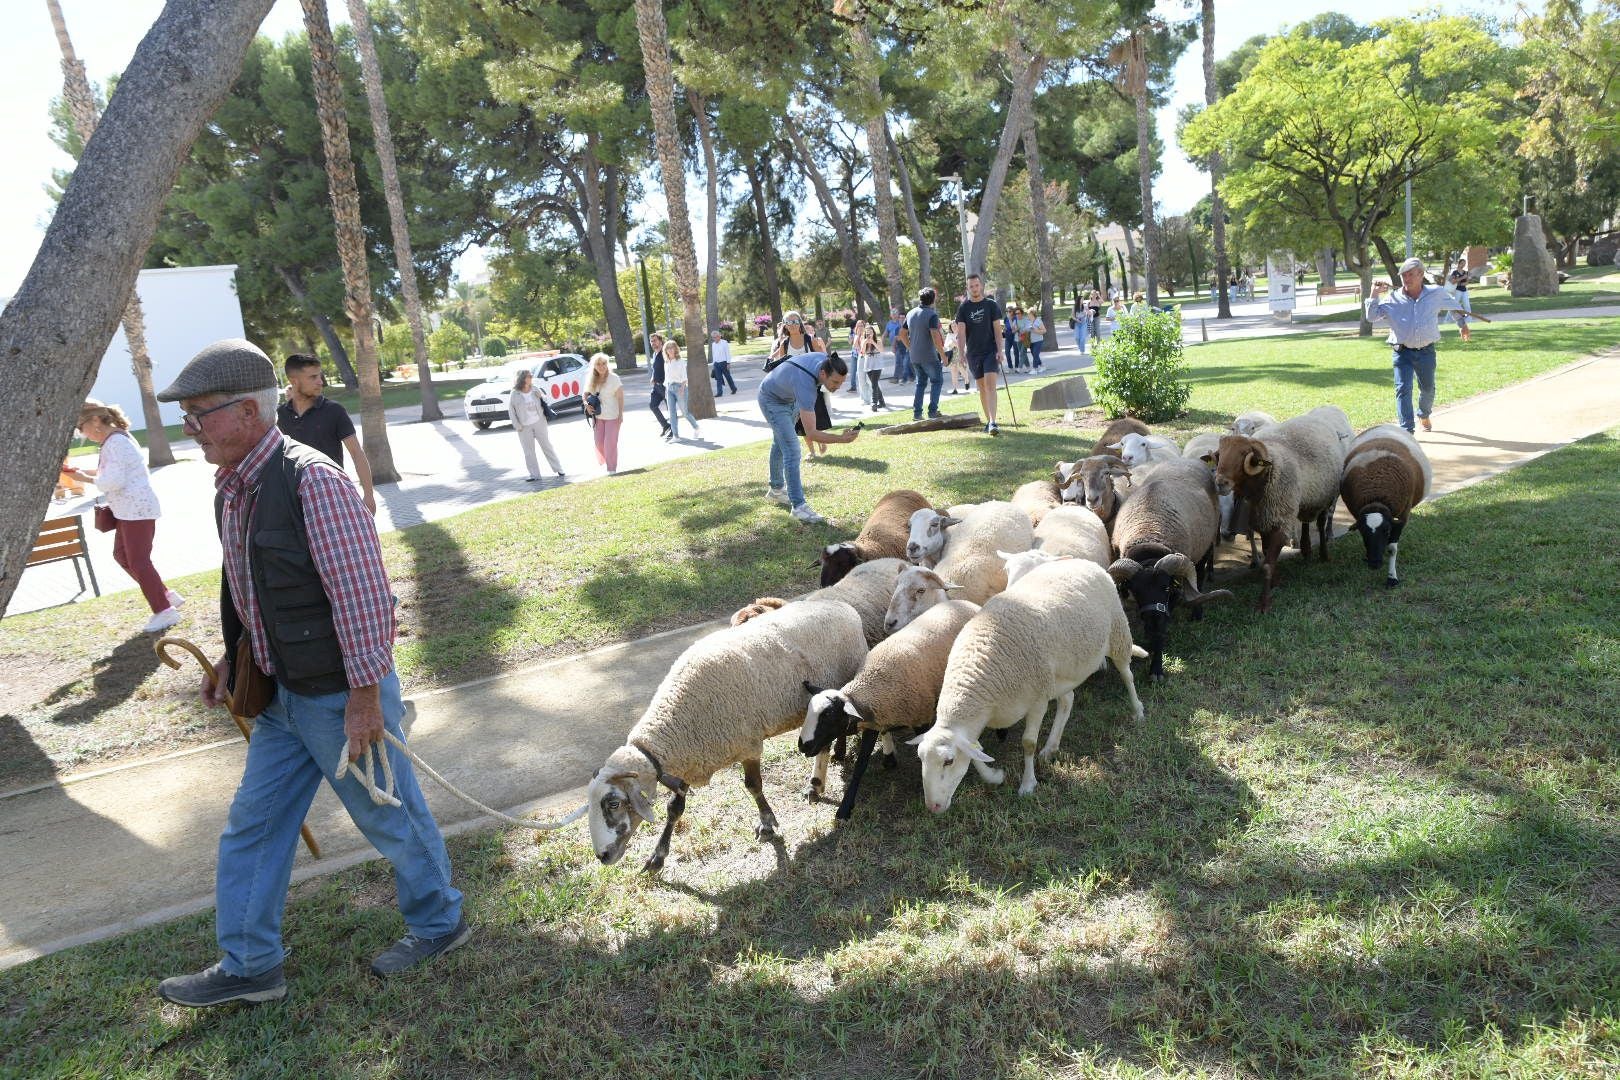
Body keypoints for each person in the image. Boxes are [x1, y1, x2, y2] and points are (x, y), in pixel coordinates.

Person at [151, 339, 464, 1008]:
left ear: (248, 412)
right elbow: (248, 584)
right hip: (281, 698)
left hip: (340, 696)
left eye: (201, 412)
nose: (192, 425)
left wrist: (364, 700)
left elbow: (363, 600)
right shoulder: (235, 485)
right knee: (253, 827)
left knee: (390, 817)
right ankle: (250, 963)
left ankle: (441, 922)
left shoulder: (312, 481)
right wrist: (236, 655)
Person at [65, 399, 181, 634]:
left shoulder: (115, 442)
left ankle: (165, 610)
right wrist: (81, 473)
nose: (82, 433)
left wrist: (83, 479)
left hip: (136, 511)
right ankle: (166, 596)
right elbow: (111, 473)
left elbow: (111, 481)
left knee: (138, 561)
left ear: (95, 420)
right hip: (130, 511)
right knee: (123, 556)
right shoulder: (116, 440)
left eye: (81, 426)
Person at [757, 350, 859, 523]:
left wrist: (822, 434)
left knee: (779, 442)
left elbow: (812, 428)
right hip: (771, 399)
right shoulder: (805, 384)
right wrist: (841, 439)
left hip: (790, 397)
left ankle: (775, 490)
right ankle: (799, 507)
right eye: (835, 382)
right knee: (792, 450)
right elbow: (811, 433)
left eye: (841, 383)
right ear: (822, 374)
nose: (837, 387)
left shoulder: (827, 362)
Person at [1366, 256, 1465, 434]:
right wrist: (1374, 294)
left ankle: (1424, 414)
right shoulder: (1392, 299)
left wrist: (1462, 326)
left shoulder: (1436, 293)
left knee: (1427, 389)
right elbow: (1372, 317)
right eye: (1404, 275)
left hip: (1426, 351)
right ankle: (1407, 431)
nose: (1406, 279)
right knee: (1403, 389)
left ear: (1421, 274)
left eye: (1410, 274)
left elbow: (1454, 306)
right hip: (1401, 352)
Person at [276, 354, 376, 514]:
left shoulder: (334, 411)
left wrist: (369, 496)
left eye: (319, 376)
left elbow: (357, 453)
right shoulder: (278, 416)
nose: (320, 381)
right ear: (294, 381)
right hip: (293, 504)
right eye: (313, 377)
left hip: (332, 497)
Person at [953, 273, 1006, 435]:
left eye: (976, 285)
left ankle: (993, 422)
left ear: (981, 285)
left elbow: (998, 330)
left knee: (991, 386)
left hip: (990, 351)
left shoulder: (991, 305)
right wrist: (961, 354)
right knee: (982, 387)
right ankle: (988, 421)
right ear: (968, 288)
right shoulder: (964, 308)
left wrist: (1000, 350)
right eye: (971, 286)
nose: (974, 288)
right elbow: (961, 334)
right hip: (974, 353)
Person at [898, 287, 947, 421]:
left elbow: (902, 334)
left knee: (920, 384)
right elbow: (936, 337)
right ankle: (932, 411)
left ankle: (917, 414)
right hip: (929, 356)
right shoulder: (932, 315)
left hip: (914, 356)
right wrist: (943, 355)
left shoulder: (910, 313)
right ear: (933, 299)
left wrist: (910, 347)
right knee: (937, 381)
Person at [510, 369, 564, 482]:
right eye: (529, 376)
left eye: (531, 376)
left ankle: (559, 469)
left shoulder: (535, 388)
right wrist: (517, 425)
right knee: (528, 452)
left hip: (539, 422)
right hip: (524, 427)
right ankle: (534, 475)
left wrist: (541, 396)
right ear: (522, 378)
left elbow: (547, 401)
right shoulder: (514, 393)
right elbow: (511, 411)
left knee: (547, 446)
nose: (531, 377)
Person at [583, 352, 625, 471]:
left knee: (610, 443)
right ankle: (607, 461)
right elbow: (585, 395)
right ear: (594, 366)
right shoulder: (591, 378)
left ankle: (611, 469)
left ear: (607, 364)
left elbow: (621, 398)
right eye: (598, 364)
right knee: (599, 444)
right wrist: (586, 404)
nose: (601, 366)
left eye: (604, 363)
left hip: (613, 416)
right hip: (598, 417)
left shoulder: (614, 379)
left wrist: (621, 414)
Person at [662, 340, 700, 441]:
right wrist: (666, 389)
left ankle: (696, 427)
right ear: (665, 350)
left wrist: (682, 389)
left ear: (675, 349)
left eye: (671, 347)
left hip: (680, 388)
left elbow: (684, 377)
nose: (670, 350)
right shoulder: (666, 362)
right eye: (668, 348)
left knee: (685, 412)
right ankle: (676, 436)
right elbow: (667, 377)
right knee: (672, 413)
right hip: (669, 389)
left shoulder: (680, 361)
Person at [646, 332, 670, 438]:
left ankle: (674, 430)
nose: (653, 343)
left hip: (665, 386)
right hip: (656, 386)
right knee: (653, 405)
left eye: (655, 340)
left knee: (670, 409)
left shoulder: (665, 353)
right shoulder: (655, 354)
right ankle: (665, 425)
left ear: (660, 341)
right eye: (651, 341)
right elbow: (656, 368)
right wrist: (653, 377)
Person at [1447, 258, 1474, 343]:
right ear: (1459, 263)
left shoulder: (1465, 272)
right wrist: (1461, 278)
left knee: (1467, 305)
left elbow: (1466, 282)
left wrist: (1463, 281)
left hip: (1464, 290)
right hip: (1457, 291)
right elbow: (1452, 281)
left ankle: (1467, 320)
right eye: (1462, 263)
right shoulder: (1455, 273)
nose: (1463, 265)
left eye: (1464, 263)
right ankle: (1449, 318)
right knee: (1455, 305)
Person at [850, 319, 873, 405]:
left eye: (861, 325)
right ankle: (865, 399)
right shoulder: (856, 336)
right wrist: (858, 335)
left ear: (864, 326)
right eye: (858, 325)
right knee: (861, 378)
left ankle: (873, 397)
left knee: (869, 379)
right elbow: (855, 346)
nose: (859, 327)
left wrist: (863, 335)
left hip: (868, 358)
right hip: (860, 358)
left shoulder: (867, 335)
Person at [885, 308, 911, 384]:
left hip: (907, 348)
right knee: (899, 363)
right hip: (899, 348)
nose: (901, 319)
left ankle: (904, 378)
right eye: (900, 318)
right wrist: (893, 347)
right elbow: (895, 339)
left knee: (906, 363)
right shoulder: (897, 328)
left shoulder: (909, 327)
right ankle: (899, 377)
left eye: (903, 318)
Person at [709, 330, 737, 396]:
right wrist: (714, 364)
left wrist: (728, 363)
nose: (714, 339)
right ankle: (719, 392)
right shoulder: (713, 344)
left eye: (715, 337)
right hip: (716, 364)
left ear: (719, 336)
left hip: (724, 363)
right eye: (713, 337)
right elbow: (714, 354)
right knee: (718, 378)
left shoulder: (724, 342)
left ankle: (733, 388)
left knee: (728, 377)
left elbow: (727, 353)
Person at [1026, 306, 1045, 371]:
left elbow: (1044, 331)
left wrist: (1035, 330)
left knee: (1035, 354)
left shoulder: (1038, 321)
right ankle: (1042, 366)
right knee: (1034, 354)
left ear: (1032, 314)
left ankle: (1035, 369)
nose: (1027, 315)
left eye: (1028, 314)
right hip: (1031, 341)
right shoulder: (1028, 321)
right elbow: (1026, 329)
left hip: (1038, 340)